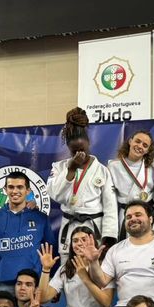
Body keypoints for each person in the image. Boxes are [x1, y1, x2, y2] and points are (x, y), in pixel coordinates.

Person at [47, 107, 118, 261]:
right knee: (68, 267)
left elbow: (110, 206)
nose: (79, 154)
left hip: (94, 227)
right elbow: (56, 195)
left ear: (89, 143)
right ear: (68, 148)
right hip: (69, 227)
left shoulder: (102, 171)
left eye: (82, 149)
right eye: (74, 151)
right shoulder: (59, 167)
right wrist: (70, 171)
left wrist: (109, 237)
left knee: (95, 267)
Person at [0, 171, 55, 291]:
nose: (15, 191)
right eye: (11, 187)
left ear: (28, 191)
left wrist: (51, 281)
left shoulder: (40, 218)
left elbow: (52, 251)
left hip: (33, 283)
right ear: (5, 189)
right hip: (3, 283)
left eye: (20, 187)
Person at [37, 227, 114, 307]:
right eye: (75, 240)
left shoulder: (105, 266)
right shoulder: (65, 269)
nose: (79, 243)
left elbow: (106, 302)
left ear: (93, 241)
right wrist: (46, 269)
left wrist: (85, 278)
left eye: (84, 239)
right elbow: (43, 298)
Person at [107, 130, 154, 237]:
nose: (140, 146)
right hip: (126, 214)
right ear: (130, 141)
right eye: (137, 141)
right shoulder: (113, 166)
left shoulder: (152, 168)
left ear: (147, 150)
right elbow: (109, 197)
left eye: (145, 145)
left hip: (146, 214)